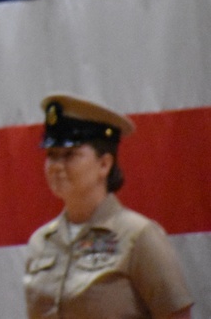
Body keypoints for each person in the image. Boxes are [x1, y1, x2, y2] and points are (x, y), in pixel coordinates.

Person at [23, 94, 193, 319]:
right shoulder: (41, 242)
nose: (57, 166)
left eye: (70, 155)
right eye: (52, 155)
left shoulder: (138, 236)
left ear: (104, 164)